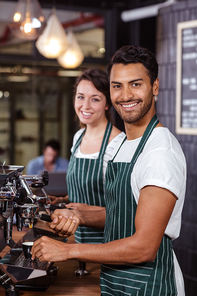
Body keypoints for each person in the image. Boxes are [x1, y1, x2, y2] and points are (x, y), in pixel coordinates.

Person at [32, 45, 186, 296]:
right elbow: (122, 214)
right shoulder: (126, 144)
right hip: (117, 281)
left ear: (155, 87)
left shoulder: (160, 153)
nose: (125, 95)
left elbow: (144, 247)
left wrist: (67, 251)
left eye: (136, 84)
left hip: (149, 285)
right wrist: (80, 214)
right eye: (117, 86)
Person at [49, 68, 125, 275]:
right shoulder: (78, 137)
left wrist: (83, 212)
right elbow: (87, 189)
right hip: (74, 241)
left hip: (104, 250)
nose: (85, 106)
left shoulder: (117, 144)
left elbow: (123, 209)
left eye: (95, 99)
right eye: (81, 97)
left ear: (107, 103)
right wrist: (63, 199)